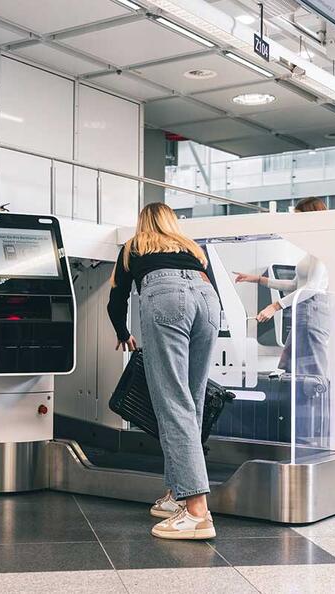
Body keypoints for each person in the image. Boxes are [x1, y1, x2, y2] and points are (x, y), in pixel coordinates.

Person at [106, 202, 221, 540]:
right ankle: (177, 496)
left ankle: (198, 512)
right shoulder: (192, 248)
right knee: (191, 403)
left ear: (142, 222)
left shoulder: (134, 246)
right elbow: (210, 291)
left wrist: (122, 333)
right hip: (208, 303)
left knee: (172, 403)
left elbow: (117, 297)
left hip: (167, 299)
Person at [235, 197, 330, 444]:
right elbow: (295, 285)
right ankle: (299, 431)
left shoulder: (323, 249)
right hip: (303, 316)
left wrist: (276, 306)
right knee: (293, 373)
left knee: (313, 375)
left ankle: (318, 433)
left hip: (312, 315)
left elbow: (311, 289)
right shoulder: (312, 250)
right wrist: (258, 280)